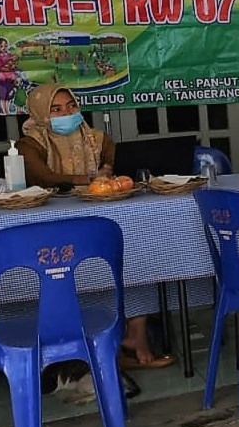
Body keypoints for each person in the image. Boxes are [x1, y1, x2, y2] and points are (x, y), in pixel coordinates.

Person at [20, 84, 172, 370]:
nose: (67, 113)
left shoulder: (96, 138)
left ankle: (134, 335)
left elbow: (116, 165)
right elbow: (44, 177)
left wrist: (107, 174)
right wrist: (89, 177)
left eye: (71, 106)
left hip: (102, 213)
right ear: (40, 113)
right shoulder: (29, 143)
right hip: (54, 223)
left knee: (138, 254)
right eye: (56, 109)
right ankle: (96, 344)